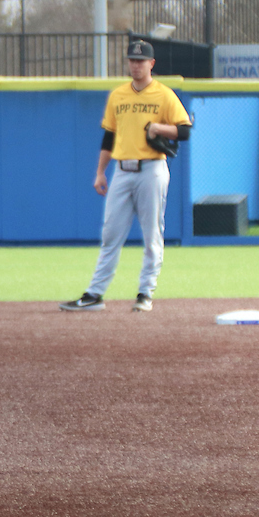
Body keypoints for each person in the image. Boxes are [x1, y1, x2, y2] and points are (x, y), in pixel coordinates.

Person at [60, 39, 192, 313]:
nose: (136, 65)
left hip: (152, 169)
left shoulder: (164, 95)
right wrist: (99, 172)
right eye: (132, 60)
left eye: (141, 60)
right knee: (110, 233)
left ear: (151, 64)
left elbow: (185, 131)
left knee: (151, 234)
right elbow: (109, 137)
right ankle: (95, 294)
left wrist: (158, 127)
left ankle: (145, 293)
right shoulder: (118, 95)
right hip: (121, 170)